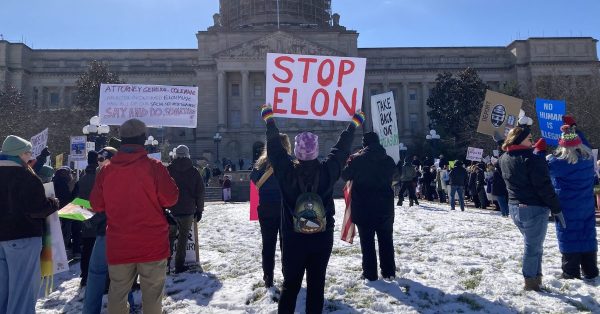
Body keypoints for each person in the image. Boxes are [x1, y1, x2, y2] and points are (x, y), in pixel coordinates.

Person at [261, 104, 362, 313]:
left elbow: (275, 151)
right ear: (316, 151)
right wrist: (353, 125)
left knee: (290, 287)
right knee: (316, 289)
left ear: (296, 152)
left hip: (293, 238)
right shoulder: (328, 171)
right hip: (321, 237)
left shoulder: (286, 172)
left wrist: (270, 120)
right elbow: (340, 150)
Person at [90, 119, 179, 314]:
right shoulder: (154, 167)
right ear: (143, 139)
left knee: (117, 293)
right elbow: (171, 198)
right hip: (152, 243)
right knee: (153, 296)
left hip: (119, 243)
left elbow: (96, 204)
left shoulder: (106, 170)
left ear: (121, 139)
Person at [499, 119, 563, 291]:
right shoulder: (532, 158)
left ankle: (536, 277)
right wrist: (556, 207)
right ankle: (530, 282)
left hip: (515, 207)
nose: (532, 142)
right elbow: (543, 185)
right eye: (529, 139)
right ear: (519, 140)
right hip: (534, 208)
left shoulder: (504, 158)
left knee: (534, 245)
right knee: (533, 247)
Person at [0, 135, 59, 314]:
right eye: (28, 153)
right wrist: (53, 203)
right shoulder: (25, 176)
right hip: (23, 237)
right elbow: (37, 208)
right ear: (19, 154)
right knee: (22, 291)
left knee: (3, 291)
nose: (30, 157)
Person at [341, 132, 396, 281]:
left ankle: (370, 273)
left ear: (364, 144)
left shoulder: (357, 160)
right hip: (385, 208)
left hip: (363, 208)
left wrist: (350, 160)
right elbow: (397, 175)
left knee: (367, 243)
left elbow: (345, 175)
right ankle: (389, 271)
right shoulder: (388, 160)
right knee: (386, 240)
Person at [547, 124, 598, 280]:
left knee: (569, 235)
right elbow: (586, 145)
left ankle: (571, 271)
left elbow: (541, 170)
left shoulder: (558, 163)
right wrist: (576, 130)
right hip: (586, 205)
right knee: (587, 233)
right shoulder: (588, 160)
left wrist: (542, 152)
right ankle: (591, 270)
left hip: (567, 207)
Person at [250, 134, 292, 288]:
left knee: (268, 244)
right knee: (286, 244)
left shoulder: (261, 163)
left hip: (266, 207)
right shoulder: (289, 161)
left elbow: (253, 179)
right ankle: (288, 275)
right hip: (285, 208)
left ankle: (268, 277)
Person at [167, 145, 205, 274]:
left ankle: (166, 264)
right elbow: (200, 192)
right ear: (188, 155)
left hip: (171, 210)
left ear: (176, 155)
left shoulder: (169, 170)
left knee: (169, 238)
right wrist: (199, 210)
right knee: (183, 239)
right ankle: (179, 265)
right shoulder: (194, 171)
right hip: (188, 210)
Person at [78, 151, 100, 288]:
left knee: (86, 247)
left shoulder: (82, 177)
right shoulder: (99, 177)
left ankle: (84, 276)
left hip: (85, 214)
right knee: (98, 248)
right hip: (99, 215)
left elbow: (78, 198)